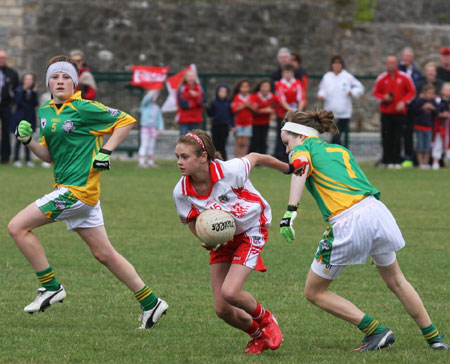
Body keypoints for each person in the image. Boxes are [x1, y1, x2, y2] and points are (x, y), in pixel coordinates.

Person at [8, 55, 167, 329]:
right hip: (72, 191)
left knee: (17, 227)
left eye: (66, 77)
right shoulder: (45, 112)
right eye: (55, 77)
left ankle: (50, 287)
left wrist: (106, 151)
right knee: (104, 254)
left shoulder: (84, 108)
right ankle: (151, 302)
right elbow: (49, 156)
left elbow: (126, 120)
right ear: (48, 83)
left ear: (75, 82)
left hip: (78, 191)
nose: (60, 81)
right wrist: (29, 142)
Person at [278, 108, 449, 351]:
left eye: (287, 142)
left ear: (302, 137)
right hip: (377, 212)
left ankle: (375, 331)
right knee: (397, 280)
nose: (287, 150)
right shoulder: (341, 150)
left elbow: (300, 167)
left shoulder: (302, 149)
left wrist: (290, 210)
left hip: (349, 221)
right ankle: (435, 339)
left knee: (314, 292)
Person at [173, 129, 291, 355]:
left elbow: (256, 156)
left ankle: (267, 320)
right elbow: (190, 219)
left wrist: (288, 168)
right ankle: (258, 336)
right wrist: (203, 237)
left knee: (231, 291)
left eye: (185, 157)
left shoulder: (230, 170)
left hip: (251, 229)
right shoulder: (181, 191)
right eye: (177, 157)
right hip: (223, 238)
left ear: (203, 157)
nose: (179, 162)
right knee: (222, 309)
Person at [373, 55, 416, 168]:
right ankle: (386, 160)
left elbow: (412, 92)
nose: (391, 65)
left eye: (393, 63)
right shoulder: (381, 78)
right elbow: (375, 94)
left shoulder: (404, 77)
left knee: (398, 138)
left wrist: (403, 102)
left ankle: (396, 161)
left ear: (397, 64)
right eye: (389, 63)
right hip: (386, 113)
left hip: (399, 114)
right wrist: (384, 97)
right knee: (386, 137)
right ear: (386, 64)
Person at [317, 55, 364, 147]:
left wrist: (353, 92)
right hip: (330, 113)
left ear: (342, 65)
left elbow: (360, 88)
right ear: (331, 65)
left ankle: (340, 153)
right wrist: (321, 95)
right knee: (334, 136)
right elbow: (322, 89)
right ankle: (340, 154)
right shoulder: (327, 77)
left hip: (344, 112)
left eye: (339, 63)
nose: (337, 65)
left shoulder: (347, 76)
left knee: (336, 136)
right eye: (335, 63)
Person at [398, 47, 423, 167]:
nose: (407, 59)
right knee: (396, 134)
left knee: (409, 134)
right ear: (402, 57)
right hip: (397, 109)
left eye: (409, 57)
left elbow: (416, 90)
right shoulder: (397, 70)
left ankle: (408, 157)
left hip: (411, 109)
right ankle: (394, 157)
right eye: (405, 56)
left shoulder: (416, 73)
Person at [11, 72, 39, 167]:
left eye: (30, 79)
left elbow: (35, 104)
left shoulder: (33, 91)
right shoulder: (19, 89)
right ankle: (16, 159)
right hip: (19, 117)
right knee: (18, 138)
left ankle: (28, 159)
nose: (28, 81)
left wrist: (34, 93)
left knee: (29, 139)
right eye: (26, 79)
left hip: (30, 117)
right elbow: (17, 102)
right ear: (23, 80)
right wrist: (23, 91)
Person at [410, 84, 437, 169]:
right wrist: (423, 108)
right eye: (428, 93)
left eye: (431, 93)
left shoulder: (433, 102)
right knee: (420, 146)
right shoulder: (420, 101)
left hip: (429, 128)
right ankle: (420, 163)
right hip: (419, 127)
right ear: (424, 93)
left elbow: (437, 113)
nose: (429, 95)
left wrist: (433, 108)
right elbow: (414, 111)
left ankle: (426, 163)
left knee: (427, 146)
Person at [0, 49, 19, 164]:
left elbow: (17, 89)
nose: (1, 60)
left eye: (3, 58)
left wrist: (13, 102)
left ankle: (5, 158)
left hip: (5, 106)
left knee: (6, 131)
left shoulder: (12, 73)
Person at [206, 83, 234, 160]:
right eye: (221, 91)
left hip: (225, 126)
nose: (222, 93)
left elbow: (231, 115)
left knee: (223, 144)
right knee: (215, 144)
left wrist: (232, 125)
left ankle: (223, 159)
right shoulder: (213, 103)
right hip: (216, 126)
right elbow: (210, 114)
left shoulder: (228, 103)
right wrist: (206, 107)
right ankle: (214, 159)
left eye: (224, 91)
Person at [249, 80, 277, 155]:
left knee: (263, 141)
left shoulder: (273, 97)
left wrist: (273, 112)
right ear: (260, 87)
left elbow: (277, 106)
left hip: (265, 123)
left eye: (267, 86)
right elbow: (254, 110)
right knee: (255, 141)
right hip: (254, 123)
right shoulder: (254, 97)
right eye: (264, 86)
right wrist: (266, 110)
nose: (265, 88)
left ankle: (262, 160)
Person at [138, 90, 164, 168]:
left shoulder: (157, 107)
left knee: (151, 145)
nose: (154, 97)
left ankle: (150, 161)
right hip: (145, 128)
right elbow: (146, 99)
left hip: (154, 129)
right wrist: (153, 91)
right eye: (152, 95)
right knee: (144, 144)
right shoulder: (144, 105)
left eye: (155, 95)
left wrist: (160, 128)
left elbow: (160, 119)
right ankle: (141, 162)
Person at [176, 69, 205, 135]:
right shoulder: (181, 89)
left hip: (195, 119)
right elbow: (182, 104)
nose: (191, 78)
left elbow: (202, 102)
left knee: (194, 140)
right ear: (185, 78)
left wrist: (195, 96)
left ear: (195, 77)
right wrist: (194, 102)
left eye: (192, 76)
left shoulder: (200, 88)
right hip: (184, 119)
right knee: (184, 139)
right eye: (189, 76)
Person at [231, 80, 255, 157]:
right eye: (243, 87)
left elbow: (255, 109)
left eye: (246, 87)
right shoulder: (236, 97)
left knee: (244, 143)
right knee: (238, 143)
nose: (244, 89)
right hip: (238, 123)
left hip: (248, 123)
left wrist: (249, 106)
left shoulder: (251, 97)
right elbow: (234, 109)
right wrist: (245, 105)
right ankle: (236, 159)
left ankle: (243, 160)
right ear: (239, 88)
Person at [431, 82, 450, 170]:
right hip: (440, 126)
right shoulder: (437, 100)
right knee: (438, 143)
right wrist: (441, 114)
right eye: (446, 89)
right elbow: (435, 111)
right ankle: (435, 162)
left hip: (448, 127)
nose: (447, 92)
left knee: (448, 144)